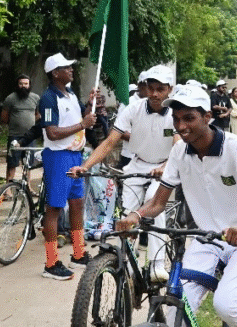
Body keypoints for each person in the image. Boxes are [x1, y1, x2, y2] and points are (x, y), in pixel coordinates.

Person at [116, 85, 237, 327]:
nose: (181, 125)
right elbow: (158, 202)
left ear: (207, 117)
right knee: (175, 309)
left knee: (226, 303)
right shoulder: (179, 152)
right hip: (205, 238)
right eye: (176, 119)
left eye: (188, 118)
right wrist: (135, 217)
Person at [69, 65, 177, 281]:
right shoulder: (133, 109)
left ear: (169, 89)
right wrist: (86, 166)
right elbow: (110, 142)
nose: (155, 94)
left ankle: (156, 264)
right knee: (127, 213)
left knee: (152, 204)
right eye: (152, 88)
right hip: (137, 165)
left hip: (165, 166)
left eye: (161, 89)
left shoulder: (176, 113)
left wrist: (165, 167)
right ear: (145, 88)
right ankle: (125, 260)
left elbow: (178, 146)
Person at [38, 53, 97, 280]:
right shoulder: (48, 99)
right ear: (55, 73)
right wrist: (82, 124)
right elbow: (52, 133)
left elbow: (81, 116)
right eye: (66, 67)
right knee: (54, 208)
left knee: (76, 203)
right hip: (58, 156)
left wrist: (90, 104)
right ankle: (51, 263)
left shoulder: (70, 93)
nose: (71, 70)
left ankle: (79, 253)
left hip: (75, 156)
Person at [1, 74, 40, 182]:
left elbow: (38, 114)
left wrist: (30, 122)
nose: (23, 86)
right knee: (12, 163)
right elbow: (4, 117)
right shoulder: (10, 98)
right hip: (15, 136)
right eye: (21, 83)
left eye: (26, 84)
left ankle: (27, 187)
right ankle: (7, 189)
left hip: (30, 136)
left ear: (29, 85)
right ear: (17, 85)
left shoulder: (35, 98)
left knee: (28, 164)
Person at [116, 83, 141, 169]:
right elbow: (119, 131)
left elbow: (168, 130)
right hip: (130, 157)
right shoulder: (128, 103)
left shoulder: (161, 105)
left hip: (153, 159)